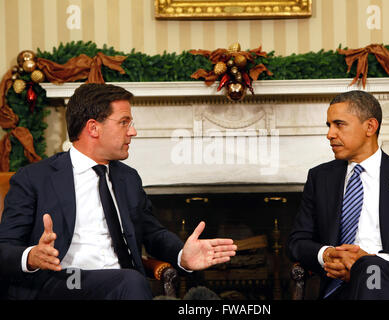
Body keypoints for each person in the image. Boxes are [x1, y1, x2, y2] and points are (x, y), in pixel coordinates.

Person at [0, 83, 237, 300]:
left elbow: (153, 233)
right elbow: (5, 247)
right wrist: (31, 256)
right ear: (93, 128)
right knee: (131, 280)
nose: (132, 132)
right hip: (61, 282)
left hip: (119, 285)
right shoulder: (35, 178)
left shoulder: (127, 178)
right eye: (124, 122)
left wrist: (182, 255)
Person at [287, 90, 389, 299]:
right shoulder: (320, 177)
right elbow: (296, 242)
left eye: (339, 124)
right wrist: (328, 254)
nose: (330, 134)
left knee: (371, 269)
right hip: (340, 287)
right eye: (329, 126)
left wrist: (373, 261)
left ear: (370, 127)